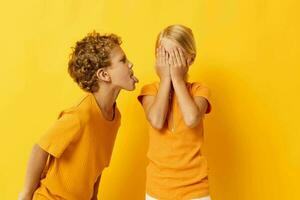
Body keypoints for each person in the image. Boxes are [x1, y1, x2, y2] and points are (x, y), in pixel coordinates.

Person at [19, 31, 139, 200]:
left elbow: (97, 166)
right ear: (104, 75)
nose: (130, 64)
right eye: (123, 60)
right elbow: (40, 148)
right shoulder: (81, 114)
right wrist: (25, 195)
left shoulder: (114, 116)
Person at [138, 24, 212, 200]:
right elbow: (156, 120)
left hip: (195, 188)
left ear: (190, 59)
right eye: (163, 56)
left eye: (175, 56)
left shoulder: (199, 90)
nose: (169, 63)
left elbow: (192, 118)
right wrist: (165, 79)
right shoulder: (150, 91)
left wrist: (177, 79)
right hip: (158, 188)